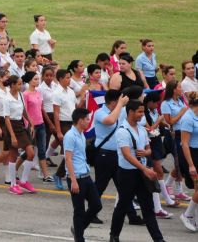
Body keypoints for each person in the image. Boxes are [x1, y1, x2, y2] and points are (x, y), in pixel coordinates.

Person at [109, 99, 165, 242]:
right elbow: (127, 155)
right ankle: (114, 236)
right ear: (131, 112)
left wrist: (146, 154)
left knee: (148, 207)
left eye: (142, 111)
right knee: (122, 205)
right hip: (127, 174)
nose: (142, 114)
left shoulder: (141, 129)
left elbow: (148, 148)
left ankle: (158, 239)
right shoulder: (122, 131)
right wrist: (145, 169)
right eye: (140, 111)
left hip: (141, 172)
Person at [64, 107, 102, 242]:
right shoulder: (70, 136)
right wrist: (73, 181)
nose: (88, 121)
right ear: (80, 120)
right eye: (87, 119)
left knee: (97, 205)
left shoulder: (81, 133)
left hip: (86, 176)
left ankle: (77, 228)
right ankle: (79, 238)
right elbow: (68, 159)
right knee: (79, 210)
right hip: (76, 178)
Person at [179, 95, 198, 232]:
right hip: (191, 154)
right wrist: (191, 165)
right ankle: (187, 215)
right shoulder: (188, 118)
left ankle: (195, 220)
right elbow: (184, 143)